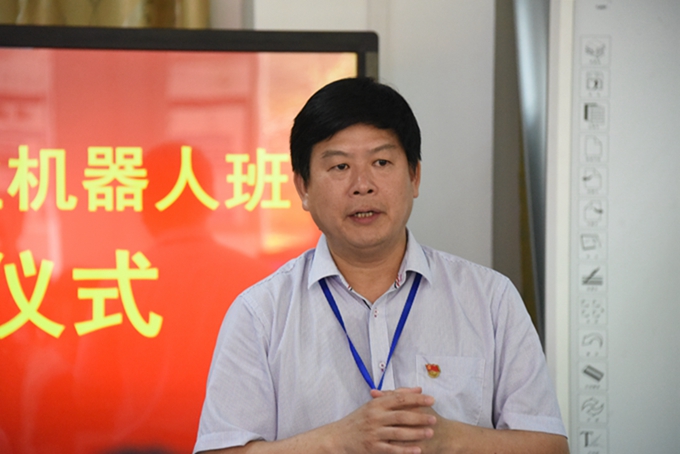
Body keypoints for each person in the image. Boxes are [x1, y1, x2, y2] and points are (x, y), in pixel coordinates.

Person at [194, 77, 569, 454]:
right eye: (340, 166)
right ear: (303, 187)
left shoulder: (490, 299)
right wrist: (337, 441)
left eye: (381, 162)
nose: (362, 185)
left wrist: (447, 439)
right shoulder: (260, 314)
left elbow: (550, 447)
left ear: (414, 176)